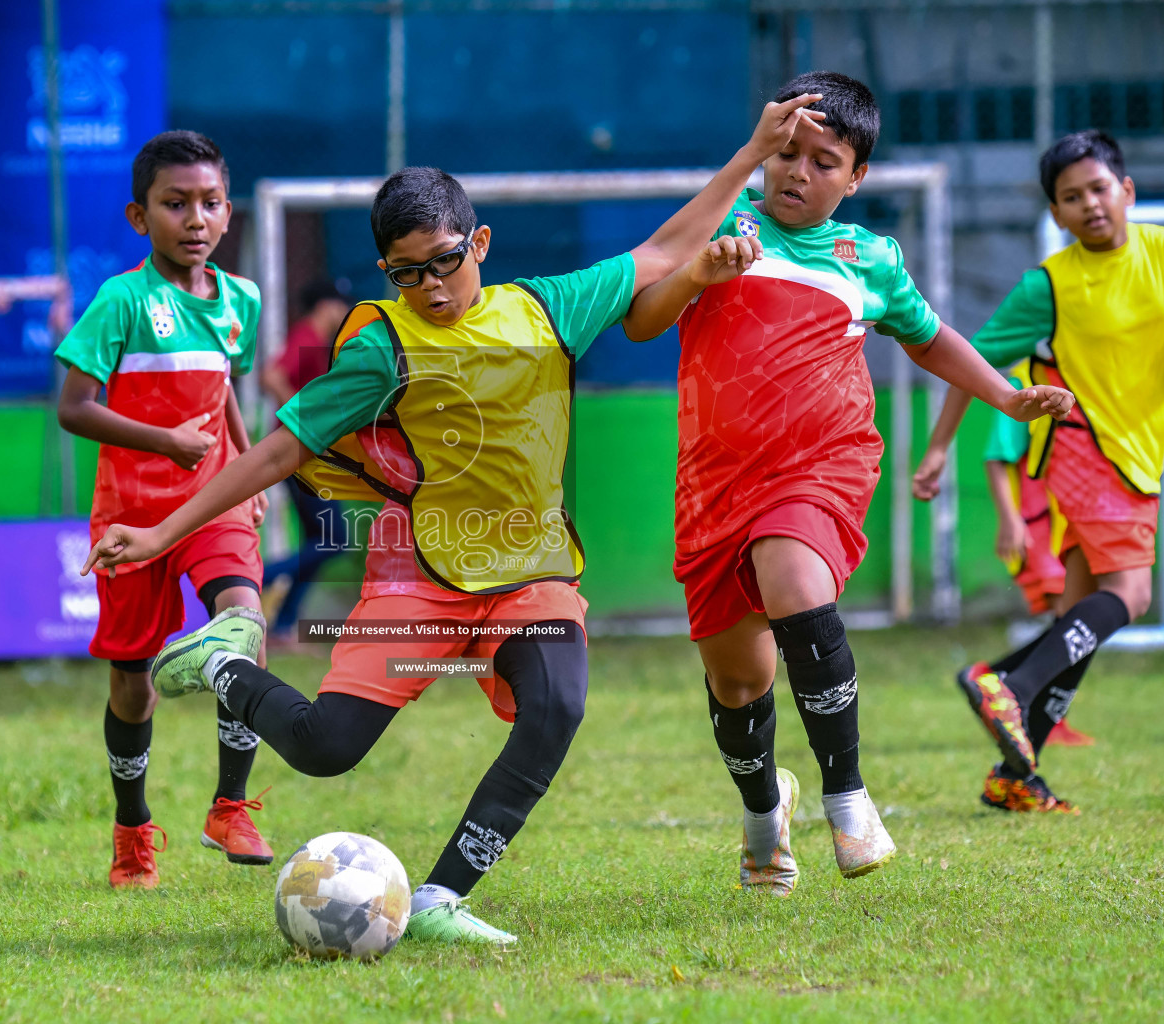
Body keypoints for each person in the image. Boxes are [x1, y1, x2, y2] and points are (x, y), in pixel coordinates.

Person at [79, 100, 828, 943]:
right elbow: (279, 451)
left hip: (530, 576)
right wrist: (161, 533)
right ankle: (222, 664)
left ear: (479, 243)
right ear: (385, 271)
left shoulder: (547, 311)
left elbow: (663, 250)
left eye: (444, 263)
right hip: (420, 585)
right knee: (327, 748)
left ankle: (439, 899)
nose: (431, 289)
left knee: (558, 706)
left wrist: (751, 153)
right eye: (407, 274)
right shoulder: (381, 346)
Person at [619, 71, 1074, 895]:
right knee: (738, 682)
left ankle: (849, 795)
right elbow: (643, 317)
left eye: (823, 162)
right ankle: (764, 813)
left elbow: (930, 339)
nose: (797, 173)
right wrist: (696, 277)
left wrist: (1005, 394)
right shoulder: (724, 222)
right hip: (713, 486)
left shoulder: (871, 258)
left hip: (821, 469)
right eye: (785, 154)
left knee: (794, 575)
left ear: (857, 176)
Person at [912, 130, 1164, 811]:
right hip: (1085, 449)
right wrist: (937, 448)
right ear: (1057, 215)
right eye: (1071, 198)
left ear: (1127, 192)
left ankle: (1015, 774)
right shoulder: (1049, 286)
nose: (1090, 205)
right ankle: (1008, 686)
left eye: (1099, 189)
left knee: (1081, 615)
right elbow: (969, 361)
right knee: (1130, 596)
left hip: (1137, 457)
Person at [55, 130, 274, 889]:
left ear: (227, 211)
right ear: (139, 217)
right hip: (133, 520)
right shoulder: (122, 301)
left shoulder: (240, 297)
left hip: (212, 503)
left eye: (210, 203)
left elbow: (225, 396)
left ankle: (230, 805)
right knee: (132, 682)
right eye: (175, 204)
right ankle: (133, 832)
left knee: (244, 622)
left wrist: (247, 471)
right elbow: (73, 409)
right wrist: (163, 441)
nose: (196, 219)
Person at [913, 359, 1095, 782]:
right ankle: (1009, 689)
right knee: (1071, 618)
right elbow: (997, 458)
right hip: (1036, 530)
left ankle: (1012, 689)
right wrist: (1011, 520)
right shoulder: (1024, 384)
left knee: (1072, 620)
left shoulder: (1077, 377)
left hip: (1061, 524)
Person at [259, 280, 353, 641]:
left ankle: (282, 628)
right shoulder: (309, 335)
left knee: (322, 540)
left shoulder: (320, 343)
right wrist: (303, 419)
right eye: (341, 306)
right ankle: (256, 576)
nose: (344, 314)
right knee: (332, 540)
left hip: (308, 455)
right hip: (299, 456)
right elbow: (271, 375)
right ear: (325, 306)